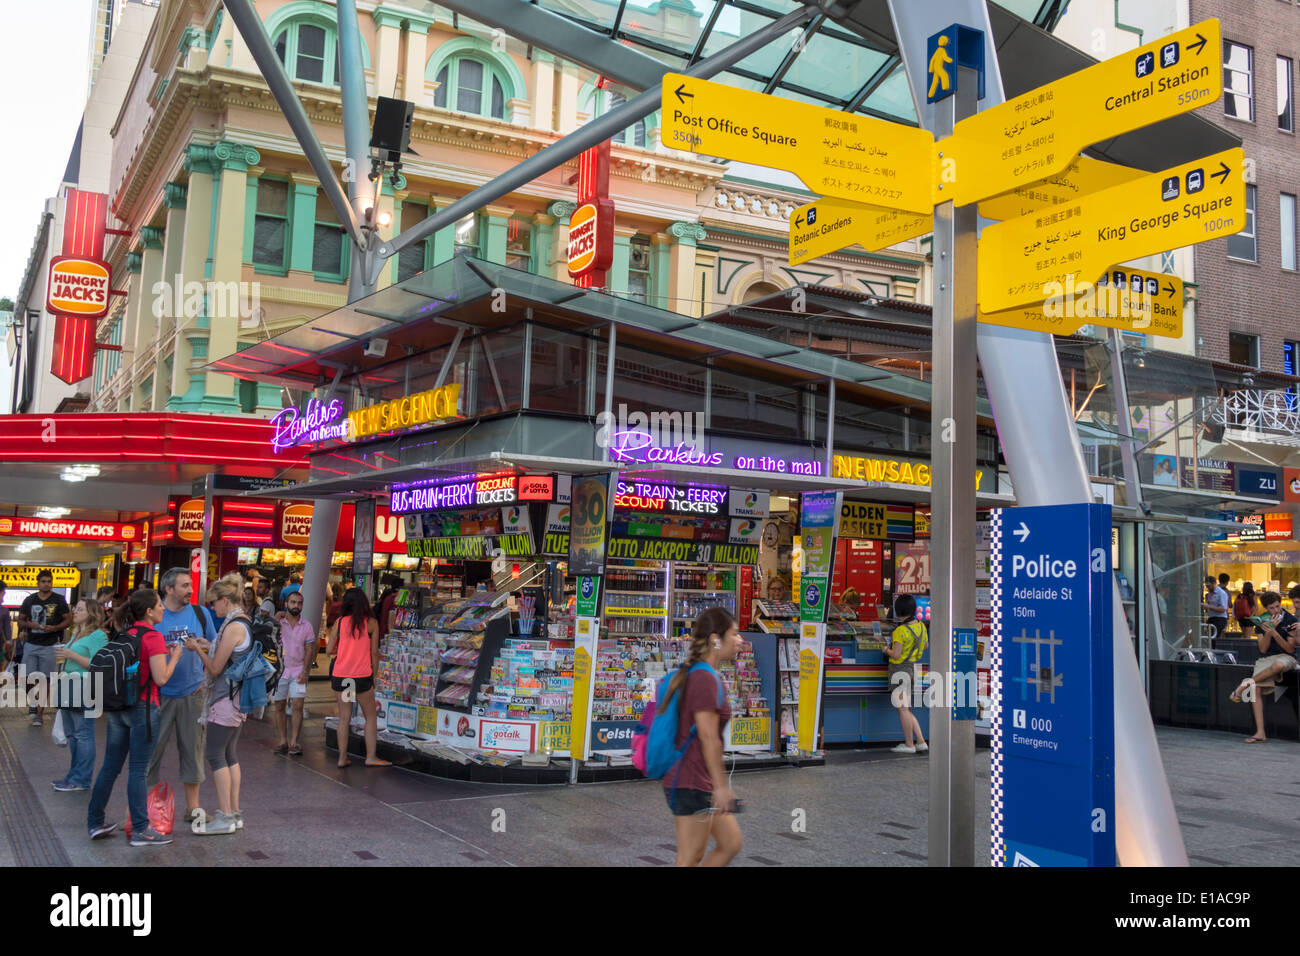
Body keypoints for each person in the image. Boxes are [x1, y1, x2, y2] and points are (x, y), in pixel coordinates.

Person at [86, 588, 185, 845]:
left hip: (119, 709)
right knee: (138, 770)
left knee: (110, 767)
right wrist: (174, 657)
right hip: (144, 708)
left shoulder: (126, 633)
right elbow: (161, 678)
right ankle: (141, 830)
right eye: (160, 605)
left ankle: (95, 822)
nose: (164, 608)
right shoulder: (153, 637)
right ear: (149, 612)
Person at [660, 606, 743, 867]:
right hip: (690, 781)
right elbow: (708, 738)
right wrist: (721, 787)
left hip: (699, 779)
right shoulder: (704, 678)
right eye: (735, 634)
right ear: (716, 640)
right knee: (690, 858)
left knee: (730, 843)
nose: (740, 640)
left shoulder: (707, 674)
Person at [145, 568, 218, 825]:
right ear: (168, 589)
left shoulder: (201, 613)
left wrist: (201, 646)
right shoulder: (154, 615)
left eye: (190, 585)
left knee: (193, 750)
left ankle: (193, 808)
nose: (189, 590)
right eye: (184, 585)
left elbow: (215, 645)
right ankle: (146, 809)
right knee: (151, 753)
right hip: (158, 695)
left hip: (193, 693)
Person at [187, 573, 254, 835]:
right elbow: (226, 655)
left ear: (225, 600)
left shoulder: (234, 626)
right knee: (229, 754)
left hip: (226, 698)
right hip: (237, 698)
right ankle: (233, 813)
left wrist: (198, 649)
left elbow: (215, 668)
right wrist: (208, 645)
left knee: (215, 754)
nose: (212, 608)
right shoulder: (241, 622)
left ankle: (225, 815)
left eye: (214, 603)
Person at [326, 587, 390, 768]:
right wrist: (374, 677)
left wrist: (345, 651)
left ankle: (341, 758)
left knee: (344, 718)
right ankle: (371, 757)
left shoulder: (339, 623)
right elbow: (374, 654)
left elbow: (330, 650)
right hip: (361, 678)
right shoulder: (371, 623)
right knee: (370, 717)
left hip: (342, 677)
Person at [51, 600, 110, 792]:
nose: (75, 611)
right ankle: (73, 775)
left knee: (83, 734)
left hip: (84, 686)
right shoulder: (75, 633)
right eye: (75, 608)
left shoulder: (98, 635)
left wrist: (70, 654)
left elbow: (98, 664)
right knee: (72, 734)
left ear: (91, 613)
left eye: (80, 609)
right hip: (68, 684)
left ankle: (81, 779)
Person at [1230, 591, 1299, 743]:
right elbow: (1262, 649)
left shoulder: (1290, 619)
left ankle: (1244, 684)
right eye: (1272, 608)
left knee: (1278, 665)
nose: (1276, 611)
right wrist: (1268, 631)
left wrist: (1274, 632)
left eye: (1277, 607)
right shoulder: (1261, 621)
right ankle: (1260, 733)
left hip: (1286, 658)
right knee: (1256, 689)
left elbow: (1289, 649)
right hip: (1266, 658)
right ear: (1266, 608)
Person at [16, 570, 71, 726]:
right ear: (38, 583)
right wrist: (29, 625)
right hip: (31, 644)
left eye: (49, 581)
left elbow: (68, 621)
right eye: (44, 581)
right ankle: (33, 702)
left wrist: (55, 628)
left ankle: (39, 714)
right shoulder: (30, 600)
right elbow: (20, 621)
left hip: (50, 644)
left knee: (45, 680)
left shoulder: (59, 600)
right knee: (26, 678)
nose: (47, 584)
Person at [271, 590, 315, 756]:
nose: (296, 606)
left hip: (298, 670)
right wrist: (276, 617)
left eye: (299, 603)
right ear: (286, 604)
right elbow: (268, 633)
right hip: (279, 671)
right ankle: (283, 740)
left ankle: (295, 741)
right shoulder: (279, 623)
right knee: (279, 705)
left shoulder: (307, 626)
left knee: (298, 706)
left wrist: (305, 671)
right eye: (293, 602)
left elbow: (309, 649)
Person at [884, 593, 929, 755]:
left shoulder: (900, 631)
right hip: (912, 669)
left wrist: (885, 649)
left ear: (898, 610)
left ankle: (909, 744)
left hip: (899, 671)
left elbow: (895, 654)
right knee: (906, 708)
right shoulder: (921, 626)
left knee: (902, 709)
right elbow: (925, 647)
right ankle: (921, 741)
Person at [1202, 575, 1230, 640]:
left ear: (1214, 583)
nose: (1208, 588)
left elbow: (1223, 609)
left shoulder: (1221, 593)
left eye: (1209, 586)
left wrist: (1208, 606)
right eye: (1206, 586)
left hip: (1219, 619)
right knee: (1209, 639)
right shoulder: (1210, 593)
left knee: (1215, 639)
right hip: (1211, 618)